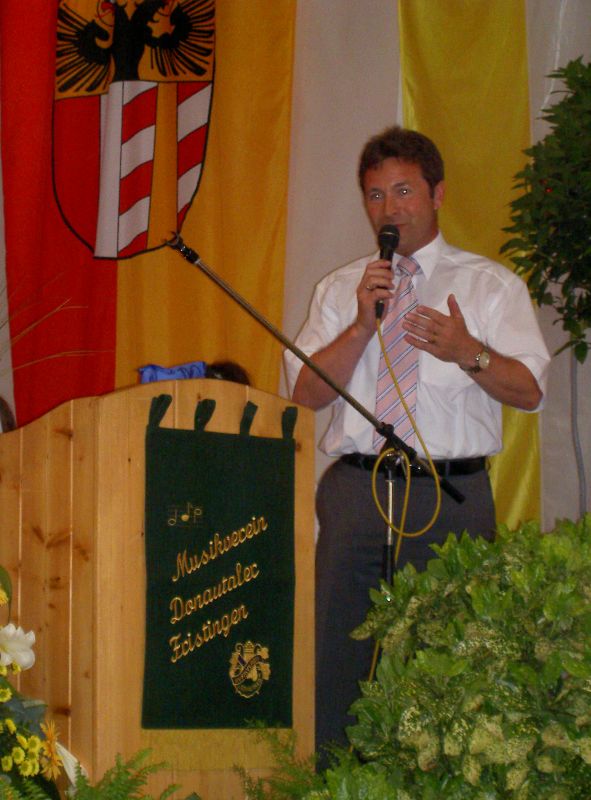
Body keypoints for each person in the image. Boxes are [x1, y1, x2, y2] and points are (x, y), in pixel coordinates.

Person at [283, 125, 551, 758]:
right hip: (358, 493)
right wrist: (360, 327)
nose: (390, 208)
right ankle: (332, 781)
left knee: (450, 662)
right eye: (375, 195)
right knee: (340, 655)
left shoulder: (490, 285)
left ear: (438, 194)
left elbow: (530, 391)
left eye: (404, 191)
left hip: (451, 495)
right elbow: (304, 396)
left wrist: (469, 352)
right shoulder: (342, 288)